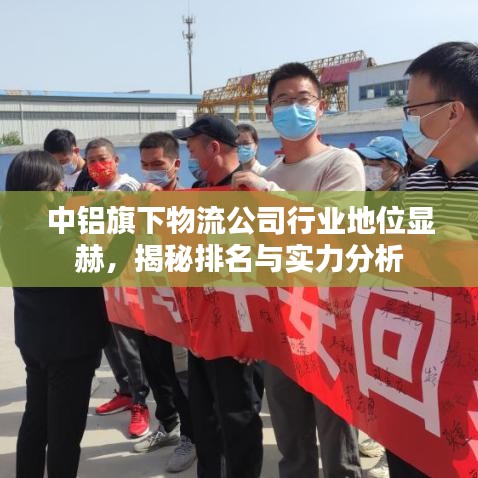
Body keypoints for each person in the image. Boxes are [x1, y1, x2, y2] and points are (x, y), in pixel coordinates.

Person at [232, 62, 364, 478]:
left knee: (338, 448)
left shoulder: (340, 163)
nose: (294, 108)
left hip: (329, 325)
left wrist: (269, 193)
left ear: (321, 107)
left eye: (303, 99)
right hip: (281, 325)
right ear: (270, 113)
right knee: (292, 446)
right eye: (283, 101)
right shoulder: (268, 175)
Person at [0, 150, 133, 478]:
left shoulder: (13, 226)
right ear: (45, 192)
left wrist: (102, 208)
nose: (64, 191)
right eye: (60, 186)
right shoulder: (53, 237)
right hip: (69, 346)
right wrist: (127, 226)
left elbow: (64, 223)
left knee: (36, 420)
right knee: (65, 433)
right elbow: (104, 266)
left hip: (35, 340)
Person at [385, 41, 478, 478]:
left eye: (415, 110)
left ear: (454, 111)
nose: (409, 121)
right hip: (418, 380)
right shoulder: (417, 186)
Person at [173, 115, 263, 478]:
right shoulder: (198, 193)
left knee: (237, 419)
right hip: (201, 327)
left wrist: (255, 333)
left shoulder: (249, 193)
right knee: (205, 416)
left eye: (192, 148)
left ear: (213, 148)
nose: (190, 156)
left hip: (237, 332)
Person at [130, 132, 196, 473]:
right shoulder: (138, 201)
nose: (151, 171)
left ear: (175, 164)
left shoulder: (189, 201)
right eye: (145, 165)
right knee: (156, 371)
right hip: (148, 304)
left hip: (179, 308)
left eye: (158, 164)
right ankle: (168, 425)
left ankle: (191, 437)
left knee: (181, 376)